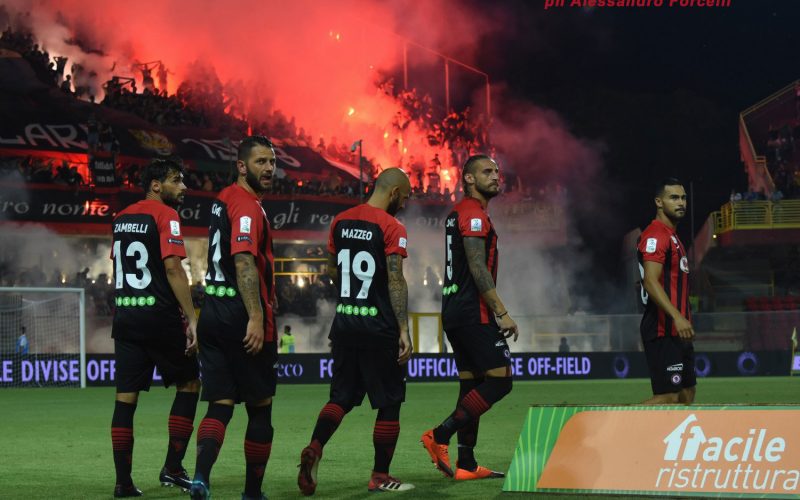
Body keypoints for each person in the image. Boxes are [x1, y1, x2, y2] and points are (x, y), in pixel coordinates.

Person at [297, 168, 414, 495]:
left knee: (341, 397)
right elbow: (395, 279)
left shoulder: (340, 221)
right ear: (393, 194)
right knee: (390, 401)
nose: (403, 205)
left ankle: (315, 448)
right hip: (379, 327)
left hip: (346, 324)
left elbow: (333, 270)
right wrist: (403, 328)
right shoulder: (393, 227)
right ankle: (380, 474)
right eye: (404, 198)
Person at [189, 136, 278, 500]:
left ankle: (200, 478)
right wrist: (256, 317)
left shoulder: (223, 198)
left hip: (212, 309)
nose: (269, 168)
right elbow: (243, 260)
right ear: (242, 166)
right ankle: (252, 493)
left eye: (272, 161)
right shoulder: (246, 207)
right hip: (239, 314)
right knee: (260, 409)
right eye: (260, 162)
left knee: (220, 403)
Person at [421, 154, 518, 481]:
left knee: (472, 384)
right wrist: (500, 311)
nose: (495, 176)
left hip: (454, 310)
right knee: (501, 379)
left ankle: (466, 463)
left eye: (496, 171)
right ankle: (440, 434)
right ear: (469, 179)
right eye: (487, 171)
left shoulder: (458, 214)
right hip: (472, 310)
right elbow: (477, 267)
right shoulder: (473, 215)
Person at [109, 158, 200, 497]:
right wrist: (192, 318)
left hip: (126, 317)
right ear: (156, 185)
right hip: (159, 316)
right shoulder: (166, 216)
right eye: (176, 180)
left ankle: (123, 483)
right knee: (189, 384)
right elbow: (174, 269)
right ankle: (173, 468)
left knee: (125, 400)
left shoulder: (120, 219)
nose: (184, 187)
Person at [637, 177, 695, 405]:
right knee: (667, 396)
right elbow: (650, 281)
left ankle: (661, 441)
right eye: (674, 198)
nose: (681, 202)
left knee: (686, 394)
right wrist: (678, 317)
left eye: (683, 198)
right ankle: (611, 427)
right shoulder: (656, 235)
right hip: (663, 327)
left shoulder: (673, 237)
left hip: (678, 329)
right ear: (659, 202)